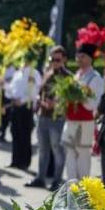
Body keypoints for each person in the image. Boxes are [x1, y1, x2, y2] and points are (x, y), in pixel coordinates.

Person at [25, 46, 72, 191]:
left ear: (64, 59)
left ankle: (57, 180)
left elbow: (70, 98)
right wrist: (40, 99)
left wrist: (56, 103)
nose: (54, 62)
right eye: (52, 59)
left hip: (57, 118)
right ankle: (41, 177)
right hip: (43, 116)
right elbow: (40, 91)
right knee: (43, 149)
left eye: (58, 59)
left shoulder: (68, 76)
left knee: (57, 150)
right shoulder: (47, 73)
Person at [62, 43, 105, 180]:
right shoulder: (76, 76)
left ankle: (82, 187)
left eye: (83, 57)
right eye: (78, 56)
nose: (79, 59)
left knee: (83, 153)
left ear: (90, 59)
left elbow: (94, 104)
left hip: (85, 122)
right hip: (71, 120)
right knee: (69, 151)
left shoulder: (96, 78)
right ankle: (71, 184)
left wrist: (80, 97)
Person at [5, 61, 41, 170]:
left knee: (24, 134)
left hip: (26, 106)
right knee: (15, 132)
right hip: (15, 105)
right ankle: (15, 160)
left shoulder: (33, 72)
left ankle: (24, 161)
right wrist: (5, 86)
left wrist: (24, 100)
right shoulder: (17, 73)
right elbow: (11, 89)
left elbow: (36, 89)